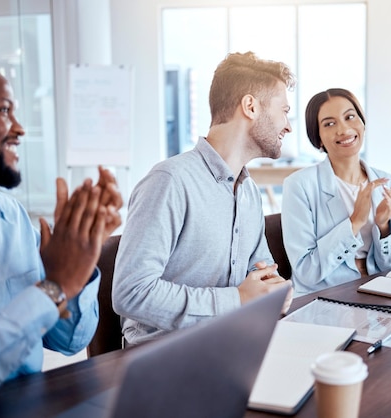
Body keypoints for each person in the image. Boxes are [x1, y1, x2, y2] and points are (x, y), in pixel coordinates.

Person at [0, 58, 123, 417]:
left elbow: (67, 341)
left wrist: (78, 263)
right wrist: (52, 287)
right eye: (2, 110)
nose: (19, 128)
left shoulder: (13, 218)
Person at [113, 51, 294, 345]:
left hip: (230, 341)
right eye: (284, 110)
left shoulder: (248, 190)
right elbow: (131, 293)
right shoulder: (170, 181)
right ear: (250, 106)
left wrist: (273, 292)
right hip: (164, 354)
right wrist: (236, 300)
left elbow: (261, 270)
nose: (288, 125)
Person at [281, 88, 391, 296]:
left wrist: (384, 226)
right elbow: (306, 272)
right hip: (324, 297)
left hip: (378, 291)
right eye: (329, 124)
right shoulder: (298, 186)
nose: (344, 129)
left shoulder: (387, 183)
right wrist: (355, 221)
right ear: (318, 137)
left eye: (350, 117)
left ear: (362, 123)